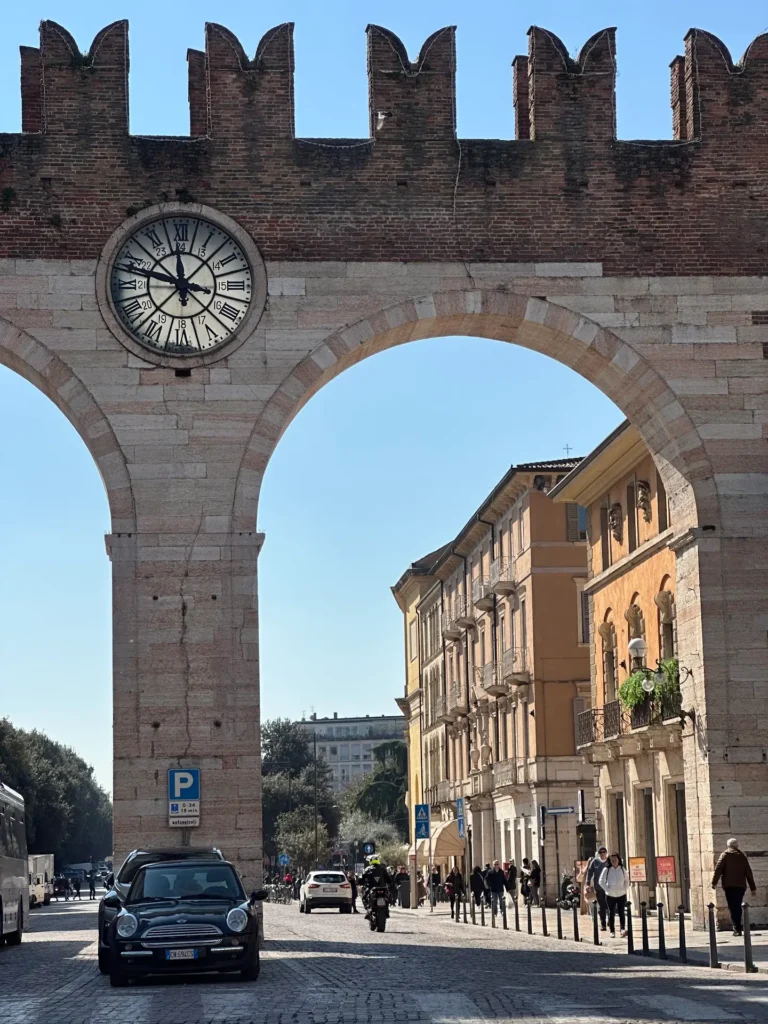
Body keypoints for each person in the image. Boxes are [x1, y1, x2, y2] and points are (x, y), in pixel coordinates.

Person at [712, 838, 757, 936]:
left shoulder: (725, 855)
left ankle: (737, 929)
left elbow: (718, 870)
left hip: (729, 886)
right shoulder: (742, 856)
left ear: (728, 846)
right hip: (741, 886)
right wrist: (753, 887)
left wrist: (714, 883)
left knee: (733, 906)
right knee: (738, 905)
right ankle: (738, 927)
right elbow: (748, 872)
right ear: (737, 846)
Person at [598, 853, 629, 937]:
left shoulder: (622, 869)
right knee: (611, 913)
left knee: (621, 912)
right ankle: (612, 931)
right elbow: (601, 881)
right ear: (610, 861)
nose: (614, 861)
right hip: (610, 895)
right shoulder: (606, 869)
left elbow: (627, 880)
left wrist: (624, 889)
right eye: (612, 860)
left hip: (621, 894)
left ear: (618, 860)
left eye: (615, 860)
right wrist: (607, 889)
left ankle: (622, 929)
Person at [586, 846, 609, 931]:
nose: (603, 854)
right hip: (599, 888)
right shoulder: (595, 862)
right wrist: (588, 883)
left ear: (606, 853)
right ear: (599, 854)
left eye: (604, 852)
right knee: (602, 907)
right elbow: (589, 872)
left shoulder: (609, 861)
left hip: (609, 888)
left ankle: (610, 920)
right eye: (601, 852)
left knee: (610, 905)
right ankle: (603, 924)